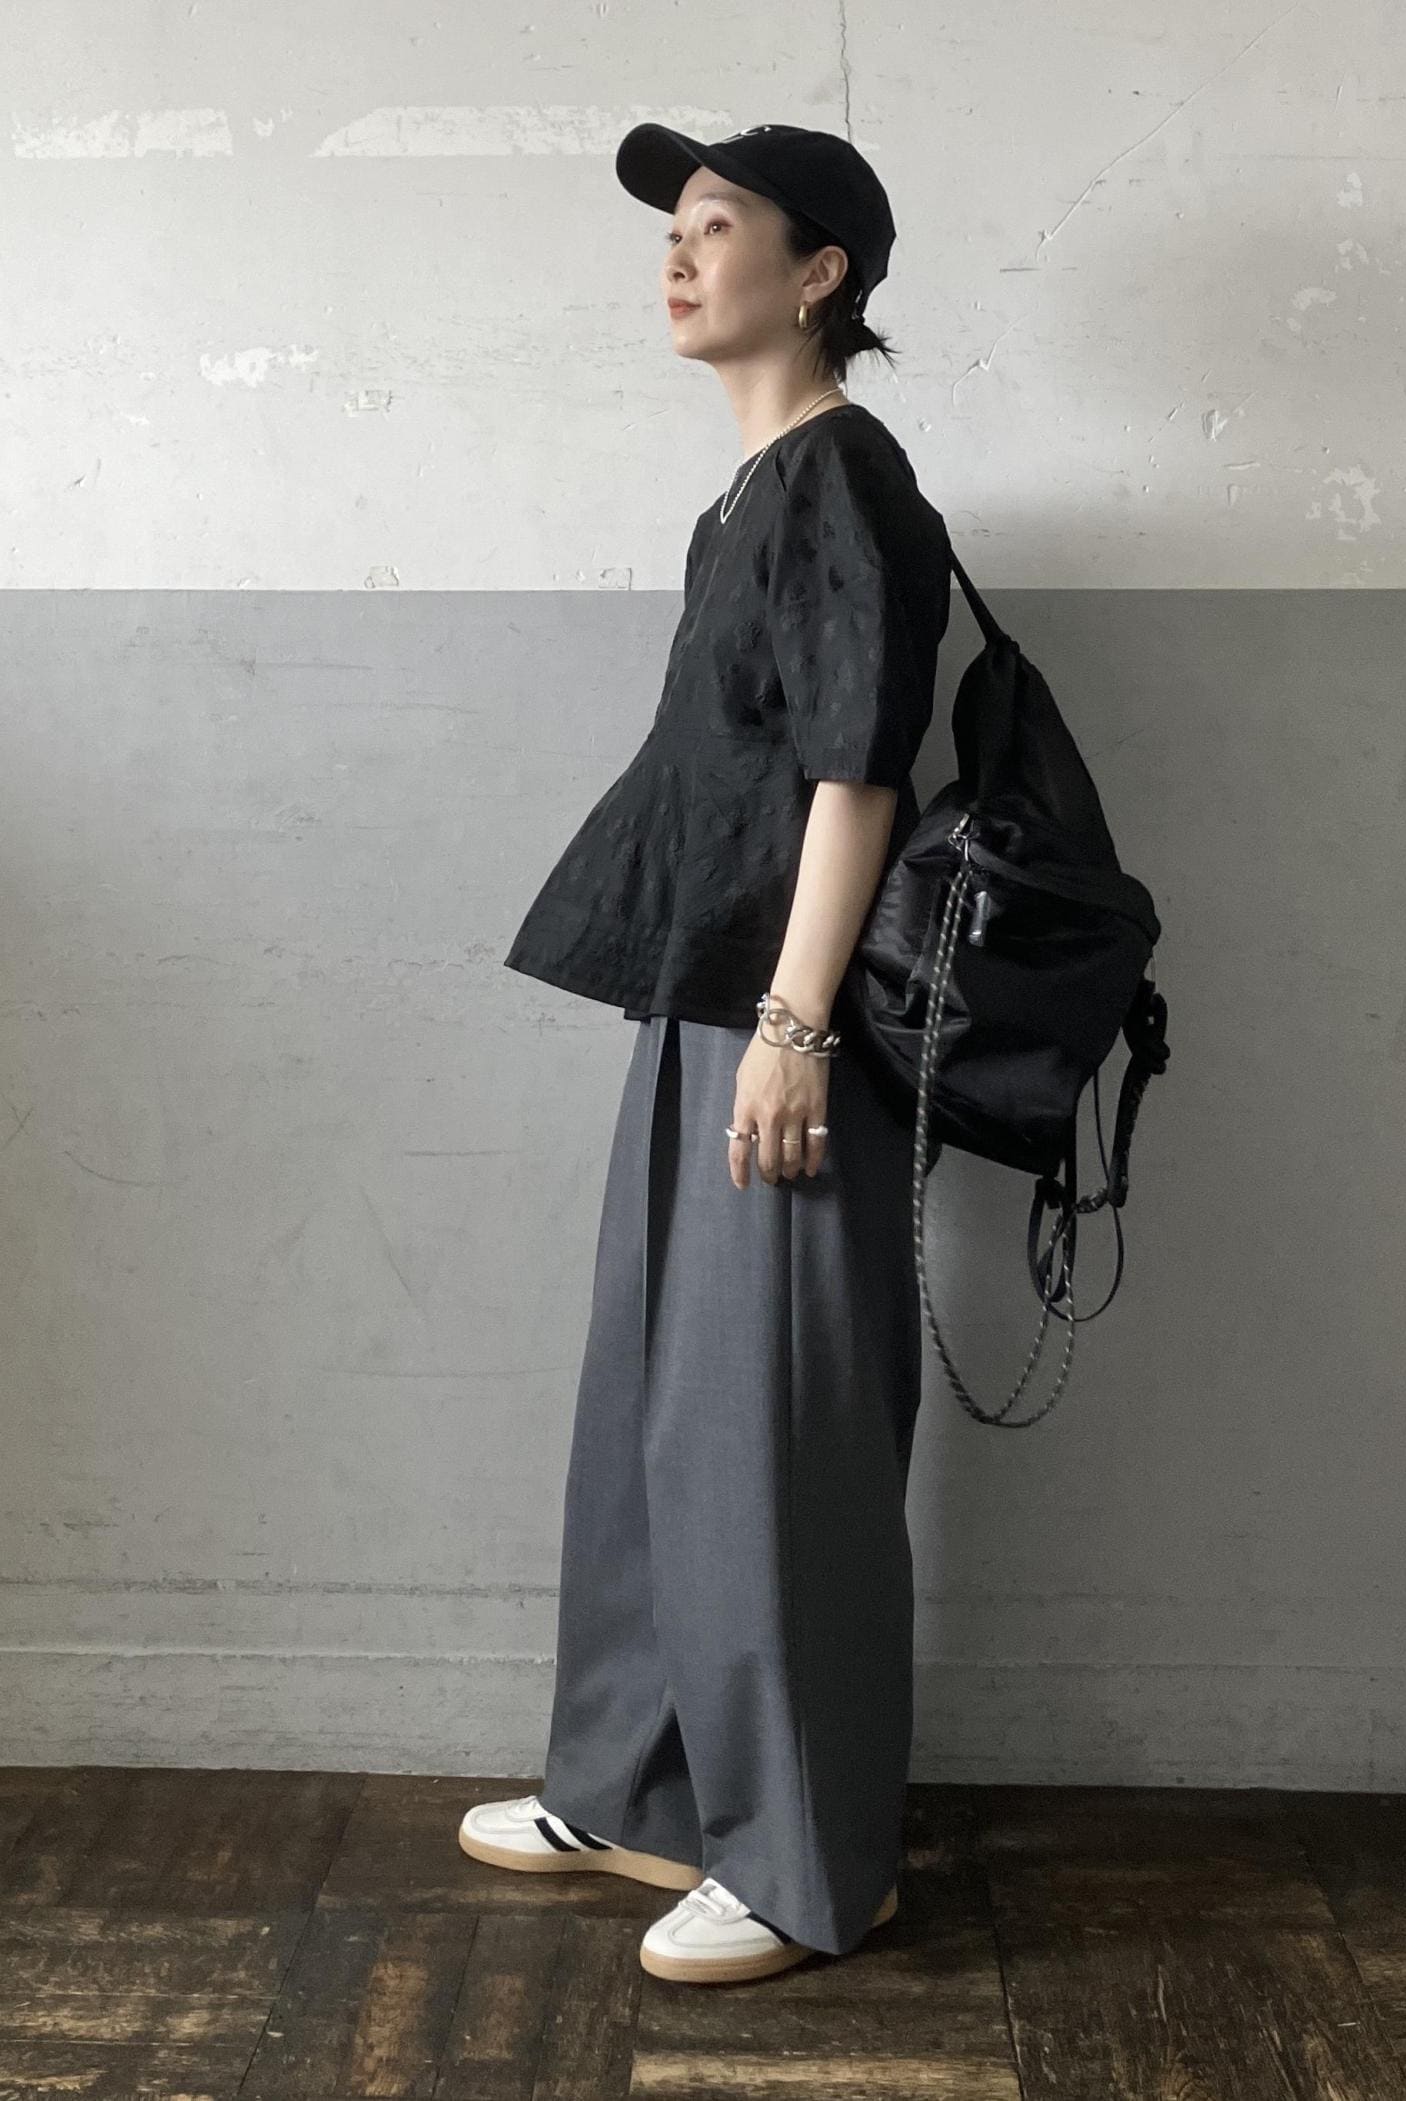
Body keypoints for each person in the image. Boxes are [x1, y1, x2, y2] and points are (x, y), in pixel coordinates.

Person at [459, 122, 953, 1987]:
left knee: (778, 1441)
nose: (677, 256)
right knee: (658, 1410)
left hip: (779, 1025)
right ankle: (643, 1786)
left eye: (717, 226)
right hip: (707, 1010)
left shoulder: (844, 477)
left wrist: (795, 1028)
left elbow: (858, 772)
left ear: (820, 273)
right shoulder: (743, 497)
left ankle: (815, 1862)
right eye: (671, 229)